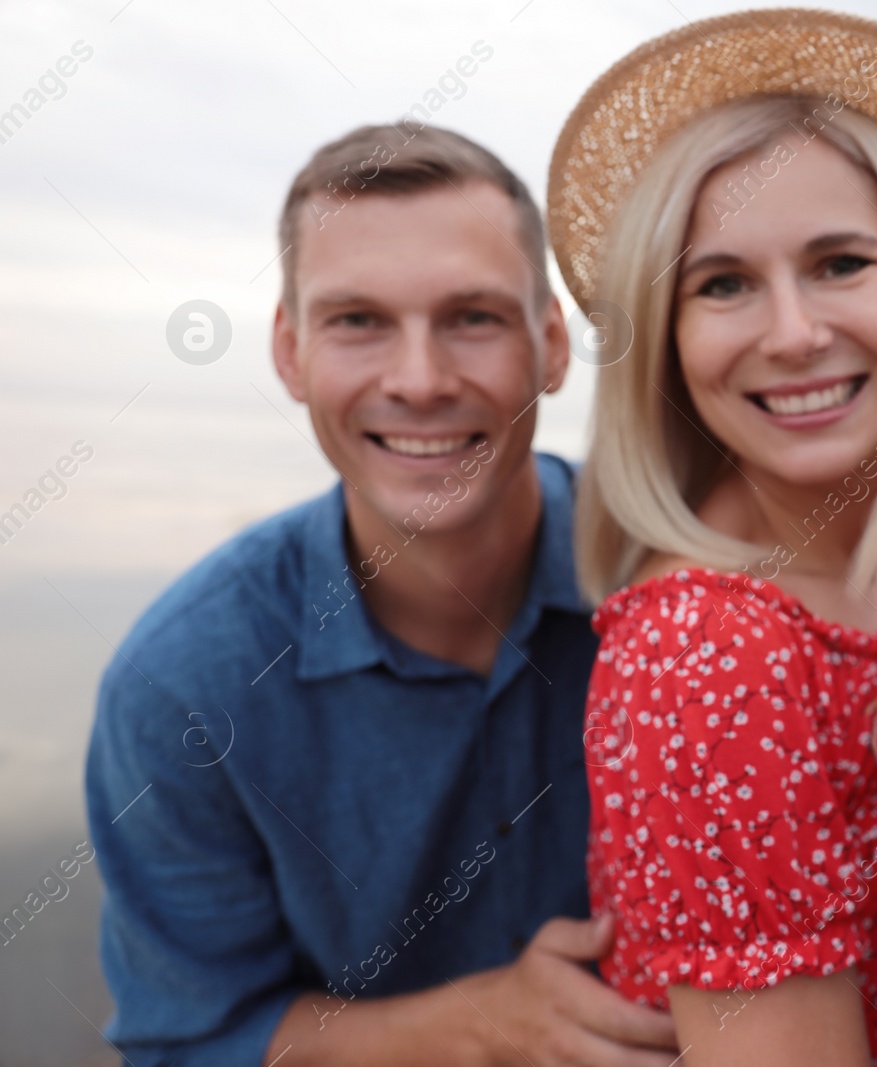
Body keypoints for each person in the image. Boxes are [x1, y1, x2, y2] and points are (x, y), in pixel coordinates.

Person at [84, 124, 678, 1066]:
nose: (419, 380)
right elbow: (192, 1039)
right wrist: (480, 1026)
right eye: (358, 320)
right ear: (290, 351)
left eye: (473, 317)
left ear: (554, 345)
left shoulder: (694, 583)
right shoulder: (185, 686)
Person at [543, 9, 877, 1066]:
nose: (793, 331)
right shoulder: (707, 648)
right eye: (722, 284)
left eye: (841, 262)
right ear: (666, 346)